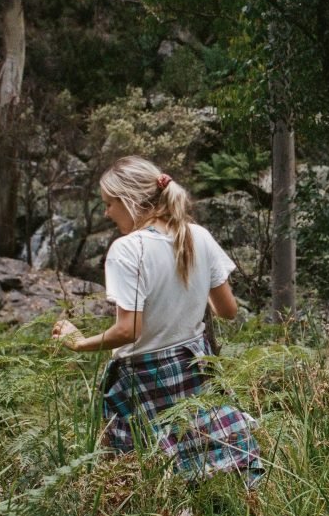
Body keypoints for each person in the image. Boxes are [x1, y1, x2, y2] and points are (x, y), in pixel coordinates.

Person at [51, 155, 262, 484]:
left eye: (109, 204)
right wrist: (185, 287)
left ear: (130, 201)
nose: (107, 213)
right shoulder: (198, 235)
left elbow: (127, 330)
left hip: (145, 378)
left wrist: (78, 343)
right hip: (194, 366)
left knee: (143, 479)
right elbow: (228, 310)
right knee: (208, 461)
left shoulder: (126, 249)